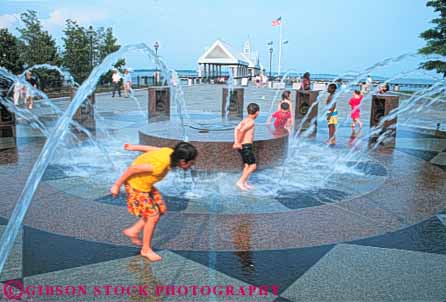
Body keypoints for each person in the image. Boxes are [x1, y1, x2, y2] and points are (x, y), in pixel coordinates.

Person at [110, 142, 198, 261]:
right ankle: (145, 249)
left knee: (160, 209)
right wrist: (117, 185)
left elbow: (153, 148)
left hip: (145, 185)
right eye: (191, 163)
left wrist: (134, 147)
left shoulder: (169, 152)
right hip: (136, 187)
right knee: (153, 216)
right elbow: (133, 169)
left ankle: (133, 230)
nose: (192, 165)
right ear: (182, 161)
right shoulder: (159, 166)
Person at [233, 103, 260, 191]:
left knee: (247, 165)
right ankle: (240, 181)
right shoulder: (251, 122)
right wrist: (238, 142)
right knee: (253, 166)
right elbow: (241, 130)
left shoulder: (244, 120)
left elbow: (236, 129)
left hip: (243, 146)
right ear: (257, 112)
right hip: (246, 146)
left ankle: (245, 183)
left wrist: (236, 141)